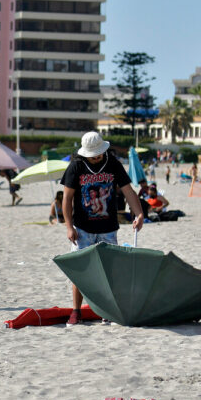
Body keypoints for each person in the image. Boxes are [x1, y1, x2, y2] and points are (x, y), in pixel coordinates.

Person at [61, 132, 144, 326]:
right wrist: (68, 226)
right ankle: (76, 310)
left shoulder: (113, 163)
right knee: (81, 270)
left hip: (108, 228)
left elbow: (128, 191)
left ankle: (108, 310)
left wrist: (139, 213)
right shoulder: (76, 166)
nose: (96, 157)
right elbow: (67, 198)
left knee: (109, 271)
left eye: (98, 154)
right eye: (93, 155)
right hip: (82, 228)